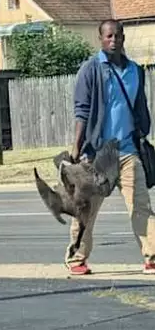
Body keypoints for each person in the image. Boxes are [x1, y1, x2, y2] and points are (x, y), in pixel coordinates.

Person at [67, 18, 155, 275]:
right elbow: (81, 111)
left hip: (128, 151)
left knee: (141, 206)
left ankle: (152, 256)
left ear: (123, 37)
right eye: (108, 36)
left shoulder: (136, 71)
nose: (113, 40)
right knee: (86, 211)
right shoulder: (90, 69)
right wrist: (77, 147)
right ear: (100, 39)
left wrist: (142, 133)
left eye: (117, 35)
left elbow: (140, 107)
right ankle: (77, 259)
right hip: (98, 154)